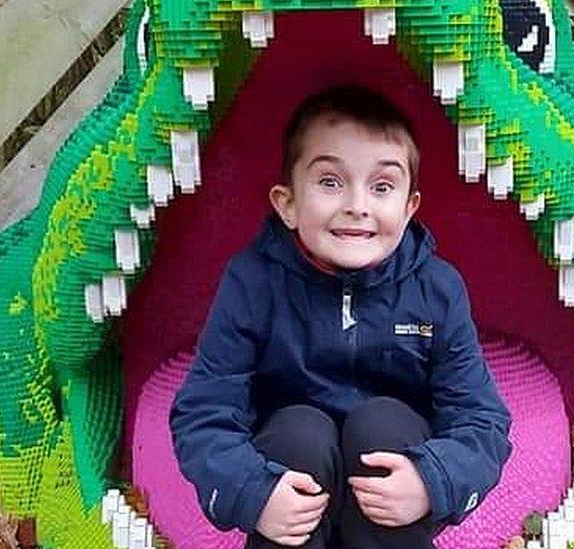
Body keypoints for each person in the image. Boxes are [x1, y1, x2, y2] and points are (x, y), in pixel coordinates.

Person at [170, 85, 512, 549]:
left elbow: (480, 418)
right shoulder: (252, 281)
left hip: (389, 492)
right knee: (300, 433)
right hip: (292, 481)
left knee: (383, 425)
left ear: (410, 207)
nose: (357, 205)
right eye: (330, 182)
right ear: (287, 204)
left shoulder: (437, 289)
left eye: (382, 186)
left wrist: (430, 480)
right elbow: (205, 409)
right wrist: (253, 491)